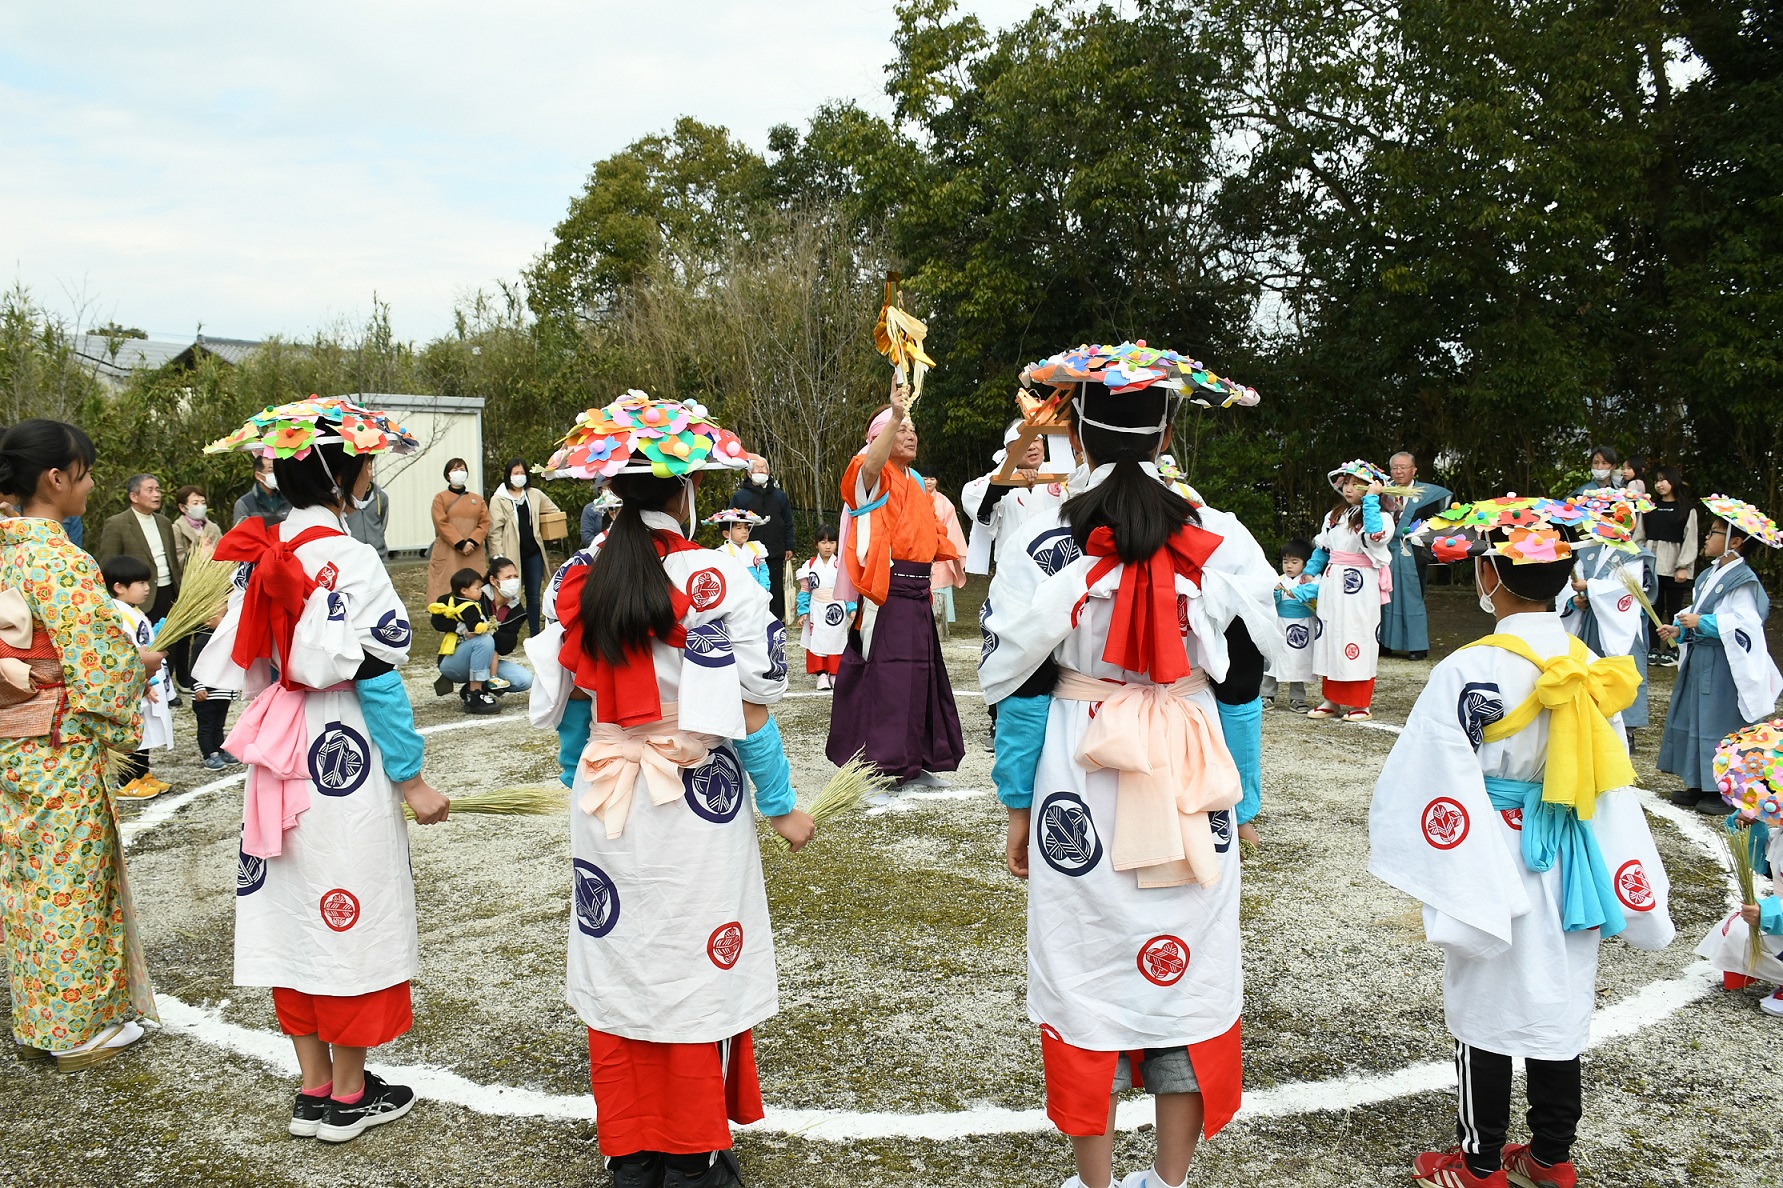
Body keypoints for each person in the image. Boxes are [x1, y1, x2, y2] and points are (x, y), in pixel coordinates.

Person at [979, 358, 1265, 1188]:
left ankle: (1096, 1183)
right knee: (1189, 957)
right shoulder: (1220, 533)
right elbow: (1241, 681)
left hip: (1080, 768)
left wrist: (1015, 805)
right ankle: (1170, 1182)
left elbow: (1021, 685)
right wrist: (1239, 797)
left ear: (1076, 430)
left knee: (1086, 962)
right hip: (1188, 765)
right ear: (1168, 431)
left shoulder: (1044, 536)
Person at [523, 392, 813, 1188]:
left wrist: (570, 779)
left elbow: (570, 713)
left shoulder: (574, 580)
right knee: (696, 959)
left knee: (622, 958)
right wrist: (781, 804)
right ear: (684, 490)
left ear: (612, 488)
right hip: (696, 795)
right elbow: (752, 708)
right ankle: (694, 1148)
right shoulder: (719, 575)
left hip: (607, 794)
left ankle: (630, 1144)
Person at [1371, 499, 1673, 1188]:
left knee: (1483, 999)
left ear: (1486, 574)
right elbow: (1608, 778)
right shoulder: (1590, 662)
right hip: (1573, 854)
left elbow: (1427, 780)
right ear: (1569, 580)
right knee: (1559, 996)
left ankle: (1478, 1161)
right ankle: (1549, 1156)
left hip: (1492, 847)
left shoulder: (1468, 669)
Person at [195, 395, 449, 1144]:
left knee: (295, 906)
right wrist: (411, 778)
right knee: (350, 906)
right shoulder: (353, 558)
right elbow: (377, 675)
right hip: (342, 742)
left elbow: (248, 663)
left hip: (277, 743)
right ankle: (348, 1094)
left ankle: (312, 1087)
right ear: (352, 478)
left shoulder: (258, 556)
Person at [0, 418, 161, 1069]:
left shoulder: (5, 548)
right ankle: (76, 1029)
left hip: (9, 745)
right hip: (58, 742)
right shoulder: (60, 559)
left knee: (25, 881)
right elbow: (98, 664)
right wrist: (139, 667)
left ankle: (37, 1018)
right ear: (55, 478)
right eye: (85, 472)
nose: (90, 483)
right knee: (71, 881)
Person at [827, 380, 965, 787]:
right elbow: (869, 466)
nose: (910, 433)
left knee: (921, 676)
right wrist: (895, 412)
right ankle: (876, 767)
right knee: (885, 677)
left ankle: (915, 758)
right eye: (900, 428)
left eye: (911, 428)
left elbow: (932, 533)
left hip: (918, 590)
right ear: (878, 438)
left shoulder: (918, 481)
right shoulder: (872, 472)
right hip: (885, 592)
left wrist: (949, 557)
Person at [1657, 496, 1783, 814]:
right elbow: (1695, 611)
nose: (1708, 538)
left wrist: (1702, 623)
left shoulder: (1743, 580)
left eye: (1714, 532)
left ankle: (1723, 790)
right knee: (1693, 718)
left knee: (1717, 721)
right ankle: (1697, 782)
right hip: (1702, 656)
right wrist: (1680, 628)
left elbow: (1746, 624)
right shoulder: (1709, 574)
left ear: (1734, 542)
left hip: (1724, 662)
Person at [1557, 490, 1657, 730]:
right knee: (1592, 667)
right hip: (1592, 619)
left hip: (1619, 620)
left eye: (1613, 516)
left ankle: (1627, 726)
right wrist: (1575, 598)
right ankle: (1593, 718)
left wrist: (1590, 587)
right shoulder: (1590, 549)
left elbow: (1628, 590)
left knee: (1620, 669)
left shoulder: (1634, 554)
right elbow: (1572, 582)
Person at [1304, 461, 1396, 721]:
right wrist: (1310, 572)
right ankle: (1331, 698)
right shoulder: (1335, 515)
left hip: (1359, 584)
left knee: (1357, 635)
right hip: (1333, 582)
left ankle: (1360, 702)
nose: (1348, 488)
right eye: (1346, 483)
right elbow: (1323, 547)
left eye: (1356, 484)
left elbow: (1376, 535)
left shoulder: (1381, 516)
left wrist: (1371, 501)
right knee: (1331, 635)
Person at [101, 554, 174, 800]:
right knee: (133, 733)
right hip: (136, 684)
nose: (146, 588)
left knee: (146, 731)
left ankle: (142, 774)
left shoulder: (134, 611)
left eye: (147, 583)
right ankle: (126, 781)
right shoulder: (117, 614)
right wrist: (142, 682)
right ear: (119, 587)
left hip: (147, 681)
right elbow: (127, 652)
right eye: (140, 583)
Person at [1379, 451, 1452, 660]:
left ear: (1414, 470)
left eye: (1404, 467)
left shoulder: (1428, 494)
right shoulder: (1381, 494)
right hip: (1385, 551)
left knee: (1412, 597)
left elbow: (1441, 519)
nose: (1399, 471)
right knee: (1384, 596)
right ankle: (1385, 643)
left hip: (1412, 550)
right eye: (1395, 468)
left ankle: (1416, 646)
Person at [428, 566, 523, 713]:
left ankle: (478, 685)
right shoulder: (467, 598)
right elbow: (437, 621)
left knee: (524, 680)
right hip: (456, 657)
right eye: (508, 577)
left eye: (515, 576)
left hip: (485, 657)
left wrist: (491, 630)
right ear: (493, 580)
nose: (513, 581)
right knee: (484, 641)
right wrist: (463, 629)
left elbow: (507, 646)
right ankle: (475, 694)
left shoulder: (516, 609)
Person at [487, 457, 563, 637]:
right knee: (509, 594)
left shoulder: (534, 494)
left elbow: (554, 511)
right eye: (515, 473)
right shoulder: (499, 499)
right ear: (508, 475)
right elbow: (494, 530)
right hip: (510, 553)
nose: (519, 477)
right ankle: (504, 632)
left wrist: (549, 530)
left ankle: (535, 633)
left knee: (534, 595)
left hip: (533, 552)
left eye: (522, 473)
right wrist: (497, 555)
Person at [96, 472, 182, 626]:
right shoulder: (117, 524)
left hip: (170, 592)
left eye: (158, 490)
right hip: (141, 597)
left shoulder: (164, 523)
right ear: (134, 497)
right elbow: (109, 564)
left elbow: (173, 561)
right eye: (150, 490)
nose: (156, 494)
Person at [1635, 465, 1698, 664]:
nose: (1659, 484)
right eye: (1656, 480)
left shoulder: (1686, 509)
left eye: (1663, 480)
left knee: (1674, 609)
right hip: (1652, 565)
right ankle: (1653, 647)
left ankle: (1673, 648)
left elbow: (1691, 539)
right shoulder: (1648, 508)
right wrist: (1640, 560)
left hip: (1674, 565)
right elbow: (1639, 536)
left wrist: (1683, 566)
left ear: (1673, 482)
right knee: (1652, 607)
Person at [728, 454, 796, 621]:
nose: (761, 470)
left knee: (775, 588)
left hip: (775, 549)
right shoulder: (740, 497)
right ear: (749, 473)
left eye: (763, 468)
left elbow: (788, 522)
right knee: (750, 588)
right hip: (748, 553)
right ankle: (750, 621)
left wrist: (789, 546)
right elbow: (730, 522)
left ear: (769, 471)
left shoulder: (780, 496)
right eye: (757, 468)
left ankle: (777, 623)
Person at [1263, 539, 1316, 711]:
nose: (1289, 566)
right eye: (1286, 562)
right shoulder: (1277, 579)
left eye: (1295, 562)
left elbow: (1317, 592)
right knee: (1274, 659)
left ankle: (1297, 698)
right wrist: (1276, 592)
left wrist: (1300, 592)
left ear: (1305, 563)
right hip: (1280, 623)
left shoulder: (1310, 581)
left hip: (1302, 624)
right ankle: (1266, 694)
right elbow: (1269, 600)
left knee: (1298, 660)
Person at [427, 457, 490, 603]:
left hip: (473, 551)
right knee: (446, 588)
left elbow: (485, 522)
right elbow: (441, 523)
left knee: (474, 585)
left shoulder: (477, 499)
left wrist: (472, 541)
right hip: (448, 550)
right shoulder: (440, 498)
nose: (459, 473)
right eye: (455, 470)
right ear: (448, 474)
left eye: (462, 469)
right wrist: (460, 543)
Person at [795, 529, 851, 691]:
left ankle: (835, 673)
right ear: (816, 544)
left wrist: (851, 609)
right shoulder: (810, 565)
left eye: (832, 542)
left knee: (836, 640)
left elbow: (847, 589)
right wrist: (803, 612)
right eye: (823, 542)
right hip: (816, 608)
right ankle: (821, 674)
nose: (828, 546)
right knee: (817, 640)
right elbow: (805, 590)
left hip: (837, 608)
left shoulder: (841, 564)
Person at [926, 476, 968, 635]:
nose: (929, 482)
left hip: (940, 547)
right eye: (925, 479)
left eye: (932, 478)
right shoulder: (913, 496)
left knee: (941, 583)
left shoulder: (944, 502)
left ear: (937, 481)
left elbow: (952, 527)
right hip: (921, 548)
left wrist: (944, 545)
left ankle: (942, 623)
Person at [707, 508, 772, 589]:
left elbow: (763, 569)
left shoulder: (756, 547)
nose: (744, 531)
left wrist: (764, 588)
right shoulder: (723, 552)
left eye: (746, 527)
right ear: (726, 534)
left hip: (757, 591)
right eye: (739, 528)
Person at [233, 453, 292, 527]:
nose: (276, 475)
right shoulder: (244, 504)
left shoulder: (290, 499)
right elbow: (240, 534)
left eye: (277, 471)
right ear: (258, 475)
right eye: (271, 471)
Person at [171, 485, 222, 568]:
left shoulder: (214, 528)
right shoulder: (176, 529)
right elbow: (177, 560)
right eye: (195, 503)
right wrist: (199, 553)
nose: (200, 507)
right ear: (182, 507)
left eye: (203, 503)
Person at [342, 471, 391, 558]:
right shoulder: (343, 499)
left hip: (378, 555)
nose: (367, 472)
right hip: (353, 556)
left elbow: (383, 524)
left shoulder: (381, 497)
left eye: (370, 467)